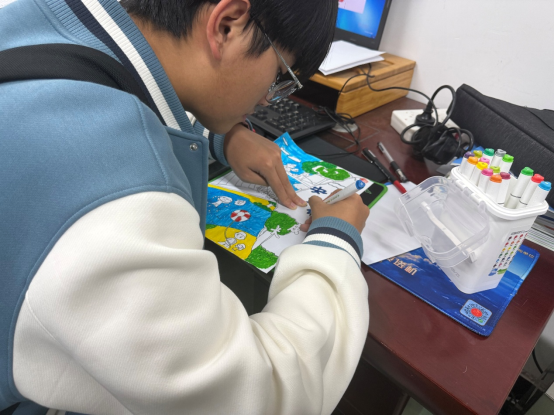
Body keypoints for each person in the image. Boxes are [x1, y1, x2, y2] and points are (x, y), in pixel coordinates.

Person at [0, 0, 370, 413]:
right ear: (227, 25)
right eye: (281, 76)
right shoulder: (119, 204)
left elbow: (114, 86)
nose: (269, 100)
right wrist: (334, 242)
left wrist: (221, 137)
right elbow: (254, 395)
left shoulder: (41, 18)